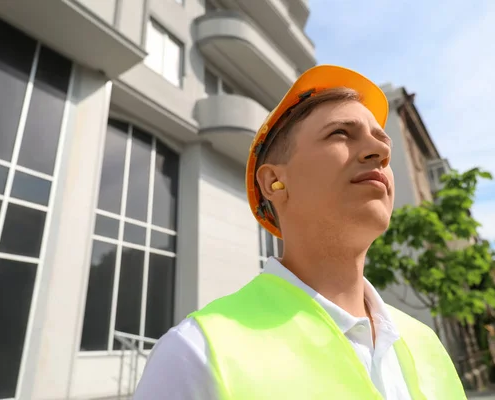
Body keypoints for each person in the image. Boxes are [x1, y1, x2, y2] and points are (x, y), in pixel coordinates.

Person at [133, 65, 467, 400]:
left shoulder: (426, 343)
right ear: (273, 182)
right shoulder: (195, 356)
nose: (381, 152)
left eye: (382, 140)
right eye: (340, 133)